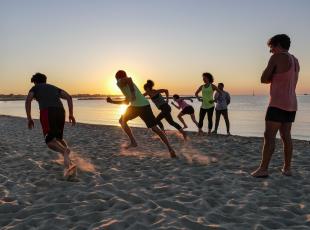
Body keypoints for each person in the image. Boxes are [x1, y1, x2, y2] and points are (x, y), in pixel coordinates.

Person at [251, 34, 300, 178]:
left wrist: (270, 75)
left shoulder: (276, 57)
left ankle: (263, 169)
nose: (270, 51)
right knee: (286, 136)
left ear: (277, 45)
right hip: (291, 103)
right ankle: (287, 168)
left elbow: (263, 79)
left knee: (269, 136)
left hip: (277, 103)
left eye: (271, 47)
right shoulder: (295, 60)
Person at [106, 70, 177, 158]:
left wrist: (132, 94)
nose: (116, 80)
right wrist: (112, 101)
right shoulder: (125, 88)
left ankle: (133, 142)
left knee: (124, 121)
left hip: (140, 106)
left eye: (116, 78)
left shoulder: (119, 82)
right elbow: (126, 102)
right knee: (153, 128)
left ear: (118, 77)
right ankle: (170, 149)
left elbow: (129, 79)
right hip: (142, 106)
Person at [25, 73, 77, 177]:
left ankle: (65, 153)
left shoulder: (35, 88)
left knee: (49, 141)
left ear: (35, 82)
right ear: (45, 80)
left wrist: (29, 118)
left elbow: (28, 100)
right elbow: (68, 97)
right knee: (58, 138)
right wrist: (71, 114)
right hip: (61, 111)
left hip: (47, 112)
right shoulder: (53, 87)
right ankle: (69, 163)